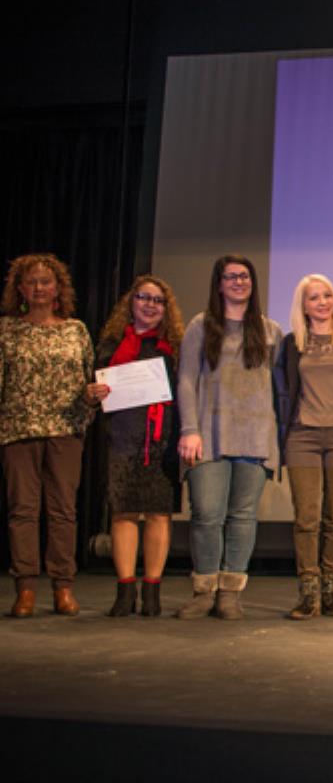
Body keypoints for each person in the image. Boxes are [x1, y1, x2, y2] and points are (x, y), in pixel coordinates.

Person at [175, 255, 283, 620]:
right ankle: (204, 591)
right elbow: (187, 380)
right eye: (231, 277)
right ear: (218, 284)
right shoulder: (201, 326)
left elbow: (278, 390)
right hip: (208, 434)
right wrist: (189, 429)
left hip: (255, 436)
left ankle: (230, 594)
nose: (239, 282)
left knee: (242, 516)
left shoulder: (270, 331)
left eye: (245, 276)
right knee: (206, 514)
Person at [0, 254, 99, 617]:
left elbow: (90, 381)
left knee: (63, 512)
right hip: (18, 428)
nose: (39, 287)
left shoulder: (76, 330)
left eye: (46, 281)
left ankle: (63, 587)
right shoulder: (7, 330)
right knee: (22, 512)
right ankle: (25, 588)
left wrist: (92, 397)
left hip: (66, 430)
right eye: (32, 281)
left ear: (58, 288)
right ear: (20, 289)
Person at [88, 275, 184, 617]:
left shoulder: (175, 348)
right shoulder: (111, 345)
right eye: (144, 298)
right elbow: (94, 388)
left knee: (159, 513)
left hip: (163, 439)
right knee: (123, 512)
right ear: (131, 302)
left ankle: (153, 591)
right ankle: (125, 590)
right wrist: (92, 393)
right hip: (122, 437)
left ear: (166, 308)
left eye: (158, 300)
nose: (150, 305)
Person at [275, 274, 333, 619]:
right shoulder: (291, 343)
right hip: (303, 436)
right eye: (314, 297)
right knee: (307, 518)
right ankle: (308, 594)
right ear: (304, 305)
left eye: (327, 295)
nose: (323, 302)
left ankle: (332, 593)